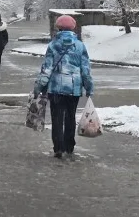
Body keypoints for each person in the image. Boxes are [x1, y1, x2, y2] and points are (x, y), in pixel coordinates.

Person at [33, 14, 94, 160]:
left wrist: (39, 86)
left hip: (56, 88)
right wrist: (89, 87)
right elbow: (85, 70)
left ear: (58, 28)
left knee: (57, 118)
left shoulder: (53, 45)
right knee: (70, 117)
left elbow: (47, 68)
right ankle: (69, 146)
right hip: (74, 89)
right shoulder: (80, 46)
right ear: (73, 28)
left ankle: (58, 148)